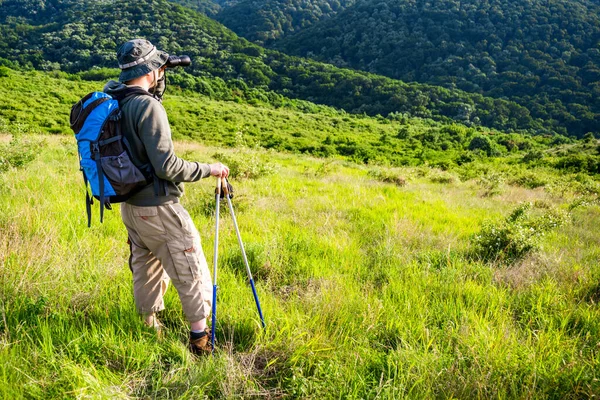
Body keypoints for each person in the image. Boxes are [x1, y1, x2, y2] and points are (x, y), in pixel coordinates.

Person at [103, 38, 228, 356]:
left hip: (130, 207)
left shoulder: (114, 102)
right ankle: (201, 341)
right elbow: (168, 166)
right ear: (153, 70)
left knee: (145, 267)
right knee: (190, 267)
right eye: (160, 68)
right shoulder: (147, 106)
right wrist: (210, 168)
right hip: (159, 208)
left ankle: (148, 329)